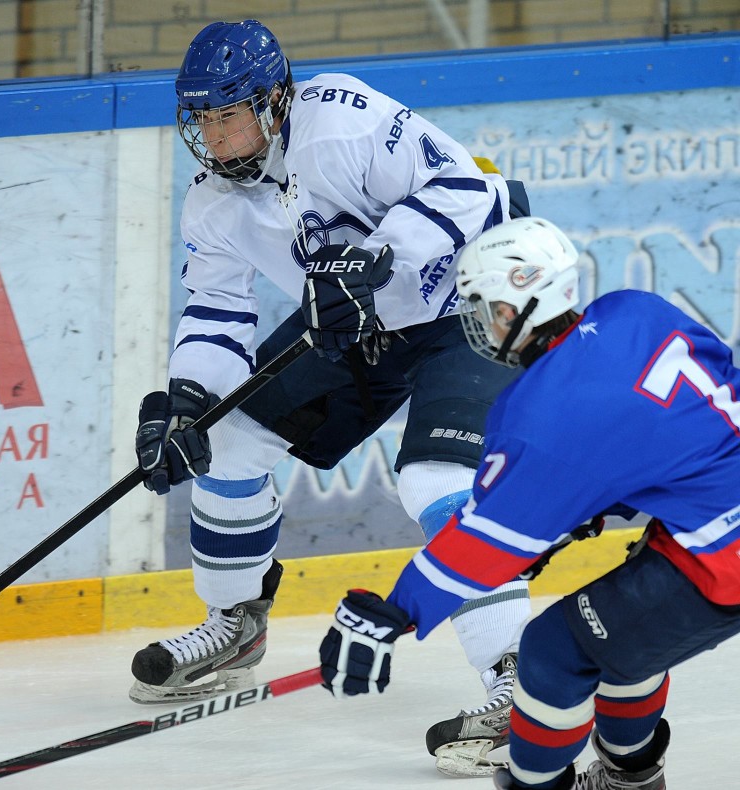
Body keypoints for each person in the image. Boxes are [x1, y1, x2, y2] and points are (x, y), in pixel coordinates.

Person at [131, 19, 533, 776]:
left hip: (472, 301)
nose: (214, 136)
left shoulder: (339, 120)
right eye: (203, 118)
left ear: (275, 100)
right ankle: (236, 621)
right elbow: (217, 316)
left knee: (436, 481)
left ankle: (522, 680)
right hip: (362, 325)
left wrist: (377, 258)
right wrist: (185, 402)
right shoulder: (212, 200)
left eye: (229, 113)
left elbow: (465, 189)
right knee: (226, 442)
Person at [319, 214, 740, 789]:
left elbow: (482, 541)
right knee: (622, 634)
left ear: (512, 311)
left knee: (551, 649)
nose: (480, 325)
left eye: (483, 309)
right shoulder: (635, 310)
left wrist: (394, 614)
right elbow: (688, 416)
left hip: (721, 553)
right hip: (707, 515)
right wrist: (584, 512)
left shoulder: (540, 412)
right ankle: (632, 779)